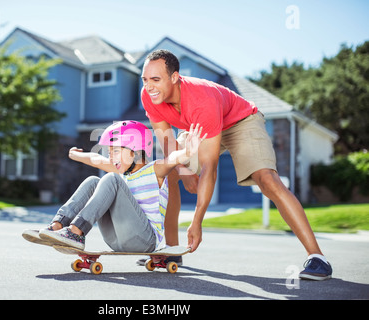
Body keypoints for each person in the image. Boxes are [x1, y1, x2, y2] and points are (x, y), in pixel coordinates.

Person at [140, 49, 332, 280]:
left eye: (156, 79)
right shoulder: (149, 97)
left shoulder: (201, 99)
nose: (149, 86)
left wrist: (197, 221)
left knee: (267, 179)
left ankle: (317, 258)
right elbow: (168, 142)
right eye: (145, 79)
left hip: (241, 122)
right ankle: (171, 250)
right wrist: (183, 170)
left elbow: (210, 167)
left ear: (174, 77)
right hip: (200, 128)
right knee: (167, 169)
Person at [22, 120, 206, 254]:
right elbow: (96, 159)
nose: (111, 157)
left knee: (111, 179)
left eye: (115, 151)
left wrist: (188, 152)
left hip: (145, 240)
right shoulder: (123, 173)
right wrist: (76, 155)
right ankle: (57, 226)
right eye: (109, 152)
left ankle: (76, 232)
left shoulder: (155, 170)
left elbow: (172, 160)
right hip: (116, 239)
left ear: (136, 151)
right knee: (94, 181)